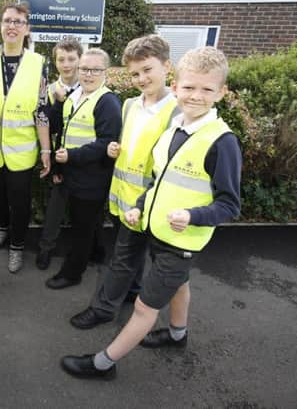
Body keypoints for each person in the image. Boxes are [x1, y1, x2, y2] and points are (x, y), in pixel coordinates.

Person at [61, 46, 242, 380]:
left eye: (206, 89)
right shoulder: (177, 128)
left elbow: (230, 204)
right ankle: (177, 334)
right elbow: (161, 181)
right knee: (178, 284)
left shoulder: (220, 140)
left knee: (145, 307)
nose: (196, 95)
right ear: (177, 86)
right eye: (189, 87)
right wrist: (142, 206)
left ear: (221, 92)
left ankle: (103, 363)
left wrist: (192, 216)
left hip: (181, 237)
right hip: (148, 217)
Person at [69, 35, 180, 329]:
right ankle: (132, 291)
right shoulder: (130, 104)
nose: (141, 78)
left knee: (122, 257)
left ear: (166, 66)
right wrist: (116, 149)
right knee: (133, 255)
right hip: (121, 198)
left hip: (146, 203)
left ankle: (104, 308)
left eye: (147, 70)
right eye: (134, 73)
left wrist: (145, 203)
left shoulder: (177, 112)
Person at [0, 2, 51, 273]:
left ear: (27, 29)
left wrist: (46, 151)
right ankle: (2, 228)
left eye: (18, 22)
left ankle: (17, 246)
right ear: (1, 25)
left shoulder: (39, 62)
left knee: (19, 202)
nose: (12, 26)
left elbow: (42, 108)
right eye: (7, 20)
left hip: (21, 151)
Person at [44, 48, 122, 290]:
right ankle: (97, 253)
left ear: (105, 72)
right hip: (71, 172)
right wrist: (57, 104)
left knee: (81, 228)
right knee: (89, 223)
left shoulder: (107, 101)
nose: (88, 74)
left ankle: (72, 273)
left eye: (95, 70)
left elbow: (105, 143)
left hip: (92, 177)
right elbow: (61, 130)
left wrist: (71, 156)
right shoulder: (74, 94)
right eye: (84, 69)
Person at [36, 40, 82, 271]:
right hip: (60, 158)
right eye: (61, 59)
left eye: (72, 59)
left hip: (85, 160)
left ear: (80, 60)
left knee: (83, 209)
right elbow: (47, 124)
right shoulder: (48, 88)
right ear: (55, 63)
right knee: (56, 205)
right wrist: (58, 103)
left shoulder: (89, 89)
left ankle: (86, 249)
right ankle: (46, 248)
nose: (66, 64)